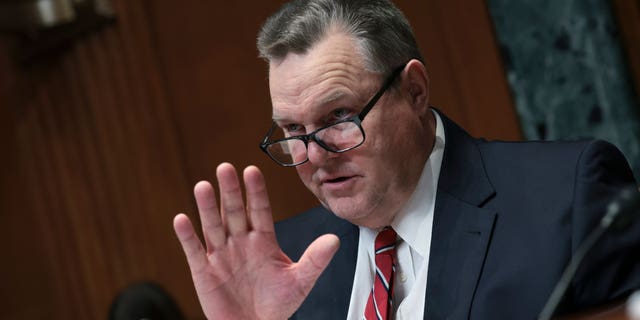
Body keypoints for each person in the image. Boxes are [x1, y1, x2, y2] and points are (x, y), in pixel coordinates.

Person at [172, 0, 640, 319]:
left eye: (338, 115)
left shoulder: (567, 198)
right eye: (294, 129)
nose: (315, 155)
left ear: (414, 91)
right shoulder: (284, 260)